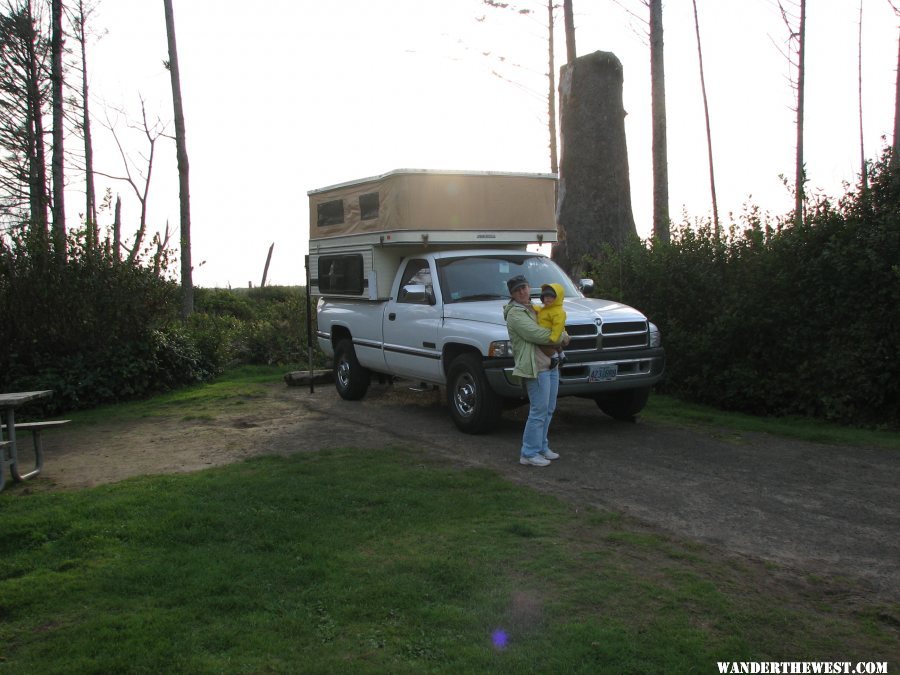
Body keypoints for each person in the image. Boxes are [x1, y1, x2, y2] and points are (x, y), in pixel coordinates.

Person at [503, 275, 568, 467]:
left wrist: (561, 334)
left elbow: (557, 323)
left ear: (529, 288)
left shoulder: (535, 308)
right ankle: (528, 453)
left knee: (548, 409)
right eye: (517, 290)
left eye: (524, 288)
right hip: (535, 366)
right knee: (538, 410)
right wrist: (562, 338)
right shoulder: (516, 314)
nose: (522, 292)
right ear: (513, 295)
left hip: (551, 363)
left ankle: (541, 447)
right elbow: (536, 334)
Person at [534, 283, 567, 368]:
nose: (547, 299)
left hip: (553, 333)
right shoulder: (546, 309)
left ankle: (554, 357)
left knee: (542, 344)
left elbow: (558, 325)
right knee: (557, 346)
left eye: (551, 297)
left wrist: (554, 337)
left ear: (557, 298)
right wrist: (533, 307)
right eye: (545, 297)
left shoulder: (558, 311)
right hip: (549, 332)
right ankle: (562, 356)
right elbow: (540, 310)